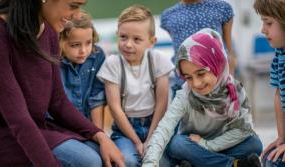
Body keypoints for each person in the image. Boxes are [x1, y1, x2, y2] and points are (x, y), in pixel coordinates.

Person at [0, 0, 125, 167]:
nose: (78, 15)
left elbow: (58, 101)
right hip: (1, 136)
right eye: (73, 6)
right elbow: (18, 119)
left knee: (102, 154)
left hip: (40, 129)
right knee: (89, 161)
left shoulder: (49, 31)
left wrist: (100, 136)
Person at [142, 28, 262, 167]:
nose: (196, 83)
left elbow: (242, 130)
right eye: (188, 77)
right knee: (177, 144)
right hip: (193, 146)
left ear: (217, 63)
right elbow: (164, 128)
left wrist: (207, 145)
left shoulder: (235, 90)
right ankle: (234, 164)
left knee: (254, 143)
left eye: (201, 73)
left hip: (222, 144)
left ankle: (200, 163)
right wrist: (150, 163)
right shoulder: (185, 95)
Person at [97, 4, 175, 167]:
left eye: (137, 39)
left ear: (151, 42)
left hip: (155, 125)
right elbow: (115, 108)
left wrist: (152, 137)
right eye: (123, 37)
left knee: (162, 162)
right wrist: (137, 142)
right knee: (129, 161)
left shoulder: (158, 61)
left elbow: (162, 103)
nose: (128, 44)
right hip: (125, 130)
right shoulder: (113, 64)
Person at [160, 0, 236, 97]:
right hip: (183, 85)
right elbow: (180, 48)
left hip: (216, 85)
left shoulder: (222, 8)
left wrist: (229, 83)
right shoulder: (168, 15)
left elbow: (229, 51)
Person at [59, 11, 106, 129]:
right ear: (61, 42)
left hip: (88, 127)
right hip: (60, 129)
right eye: (75, 45)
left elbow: (97, 98)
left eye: (88, 43)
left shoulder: (98, 56)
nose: (83, 51)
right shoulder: (53, 61)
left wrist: (99, 134)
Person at [254, 0, 285, 166]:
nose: (263, 30)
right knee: (269, 158)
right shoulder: (279, 54)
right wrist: (282, 137)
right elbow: (279, 95)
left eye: (269, 23)